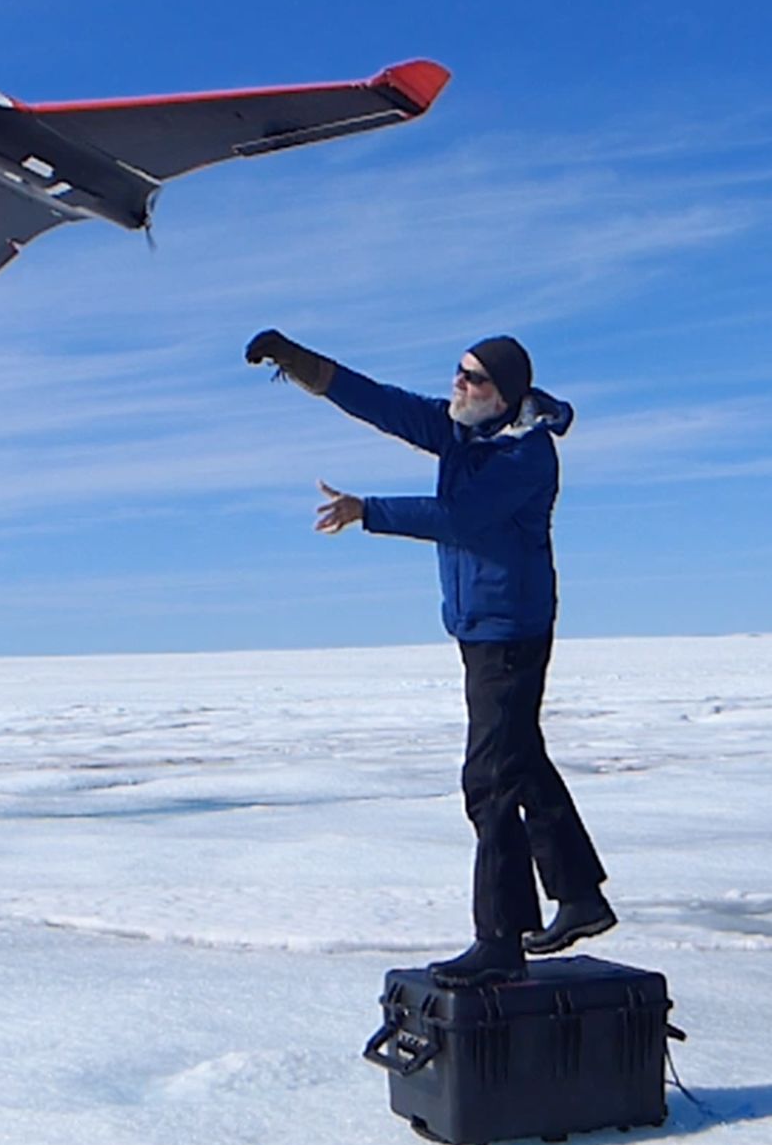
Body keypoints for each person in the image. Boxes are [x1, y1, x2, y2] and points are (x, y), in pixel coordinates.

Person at [246, 328, 614, 988]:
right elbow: (380, 403)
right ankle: (580, 895)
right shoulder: (464, 430)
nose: (458, 385)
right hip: (482, 628)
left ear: (504, 394)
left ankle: (500, 940)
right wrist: (297, 361)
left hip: (510, 631)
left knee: (489, 781)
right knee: (519, 759)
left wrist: (367, 509)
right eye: (458, 372)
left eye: (472, 379)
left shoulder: (526, 456)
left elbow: (460, 517)